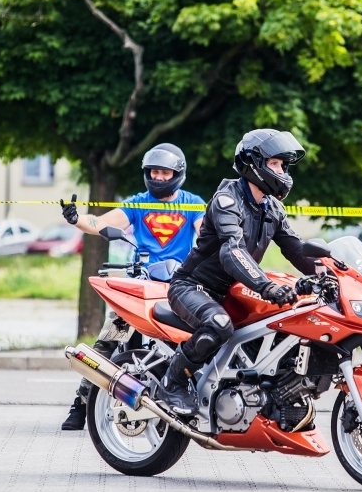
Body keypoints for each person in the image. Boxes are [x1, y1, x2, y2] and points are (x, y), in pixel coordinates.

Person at [156, 129, 317, 415]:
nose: (282, 172)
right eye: (275, 164)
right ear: (254, 164)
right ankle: (172, 382)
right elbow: (232, 251)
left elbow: (297, 249)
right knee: (219, 324)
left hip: (232, 291)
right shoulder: (227, 201)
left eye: (283, 165)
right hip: (192, 286)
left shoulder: (273, 208)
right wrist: (266, 286)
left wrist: (335, 272)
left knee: (283, 323)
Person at [58, 144, 205, 430]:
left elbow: (206, 232)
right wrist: (77, 219)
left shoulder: (193, 204)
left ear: (177, 174)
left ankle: (185, 401)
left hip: (179, 286)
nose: (158, 177)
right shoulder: (137, 203)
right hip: (141, 285)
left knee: (193, 342)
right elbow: (99, 223)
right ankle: (82, 403)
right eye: (154, 172)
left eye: (164, 172)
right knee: (107, 342)